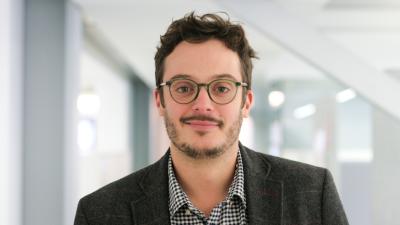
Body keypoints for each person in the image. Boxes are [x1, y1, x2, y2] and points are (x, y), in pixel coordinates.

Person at [74, 12, 349, 225]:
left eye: (221, 88)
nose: (202, 104)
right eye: (183, 87)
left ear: (246, 103)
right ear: (160, 101)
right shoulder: (100, 213)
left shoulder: (312, 194)